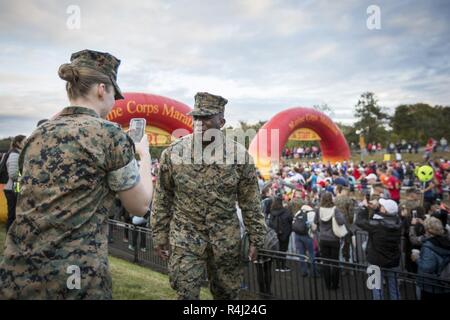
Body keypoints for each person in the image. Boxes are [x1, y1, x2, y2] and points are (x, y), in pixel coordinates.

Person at [0, 50, 153, 299]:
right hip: (75, 277)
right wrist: (144, 156)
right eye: (115, 94)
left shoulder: (35, 136)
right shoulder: (109, 134)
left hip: (19, 272)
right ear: (102, 89)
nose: (115, 102)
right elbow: (139, 205)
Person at [151, 92, 266, 300]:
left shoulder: (239, 156)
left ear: (221, 121)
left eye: (206, 118)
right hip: (185, 233)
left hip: (225, 236)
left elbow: (250, 201)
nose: (200, 123)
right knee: (185, 292)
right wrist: (159, 234)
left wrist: (257, 237)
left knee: (227, 293)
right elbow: (162, 196)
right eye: (196, 117)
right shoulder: (174, 153)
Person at [355, 198, 402, 300]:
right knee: (394, 289)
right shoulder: (398, 222)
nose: (380, 207)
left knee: (376, 289)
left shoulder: (377, 225)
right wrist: (376, 209)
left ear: (385, 210)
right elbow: (381, 218)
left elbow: (359, 221)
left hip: (375, 261)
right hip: (393, 261)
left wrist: (364, 207)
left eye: (382, 206)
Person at [314, 192, 346, 290]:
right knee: (335, 262)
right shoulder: (335, 210)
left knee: (326, 262)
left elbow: (315, 222)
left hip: (323, 239)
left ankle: (327, 285)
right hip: (334, 239)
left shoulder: (319, 210)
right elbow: (341, 222)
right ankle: (335, 285)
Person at [411, 217, 450, 299]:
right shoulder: (446, 241)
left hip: (430, 286)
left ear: (428, 230)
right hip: (444, 284)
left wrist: (417, 259)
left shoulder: (428, 246)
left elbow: (427, 268)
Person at [3, 135, 26, 232]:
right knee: (12, 214)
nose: (26, 143)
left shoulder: (18, 153)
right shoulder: (14, 155)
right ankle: (10, 234)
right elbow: (13, 174)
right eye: (24, 141)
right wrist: (25, 178)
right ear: (18, 143)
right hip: (13, 187)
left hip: (15, 187)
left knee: (16, 213)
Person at [268, 195, 293, 272]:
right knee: (283, 250)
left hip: (275, 233)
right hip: (285, 234)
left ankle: (278, 266)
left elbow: (270, 222)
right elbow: (290, 219)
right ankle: (282, 266)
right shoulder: (286, 211)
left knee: (277, 250)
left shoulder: (272, 211)